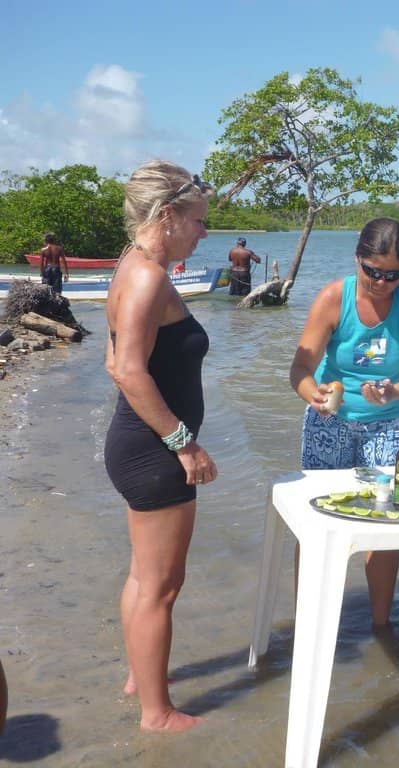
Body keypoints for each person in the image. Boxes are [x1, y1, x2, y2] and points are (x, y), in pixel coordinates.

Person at [103, 160, 218, 732]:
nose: (204, 232)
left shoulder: (132, 267)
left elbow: (112, 359)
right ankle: (157, 713)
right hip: (153, 452)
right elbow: (127, 370)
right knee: (162, 588)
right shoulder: (148, 277)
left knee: (142, 578)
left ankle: (138, 680)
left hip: (134, 444)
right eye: (198, 220)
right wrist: (183, 444)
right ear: (167, 214)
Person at [289, 217, 399, 627]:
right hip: (330, 422)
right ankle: (309, 618)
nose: (382, 283)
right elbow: (300, 366)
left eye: (393, 275)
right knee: (318, 521)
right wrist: (312, 395)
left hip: (389, 424)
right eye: (373, 272)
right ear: (357, 258)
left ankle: (380, 624)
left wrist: (395, 391)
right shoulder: (335, 297)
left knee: (386, 521)